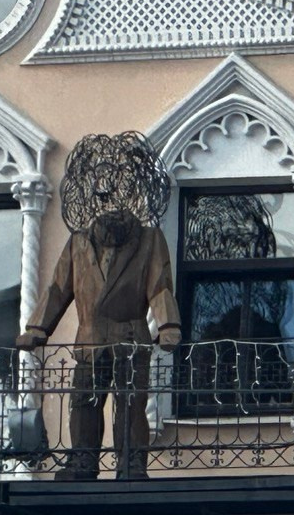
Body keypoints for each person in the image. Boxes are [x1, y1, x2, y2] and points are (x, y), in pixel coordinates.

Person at [16, 133, 181, 480]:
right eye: (103, 198)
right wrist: (36, 329)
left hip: (131, 336)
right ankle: (82, 462)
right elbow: (58, 290)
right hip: (90, 339)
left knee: (131, 405)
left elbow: (160, 286)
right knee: (84, 402)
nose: (109, 205)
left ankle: (132, 464)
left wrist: (168, 327)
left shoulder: (149, 240)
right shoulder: (78, 243)